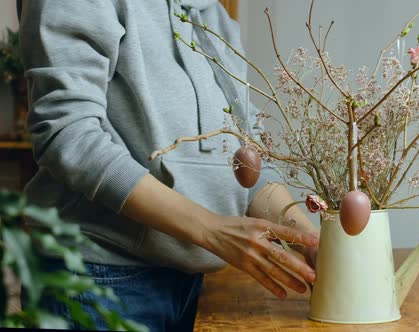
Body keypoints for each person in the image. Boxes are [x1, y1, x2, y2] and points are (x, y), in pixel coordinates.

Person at [18, 0, 319, 330]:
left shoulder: (211, 13)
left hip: (191, 282)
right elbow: (68, 136)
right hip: (96, 279)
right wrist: (212, 230)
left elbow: (246, 156)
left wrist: (311, 240)